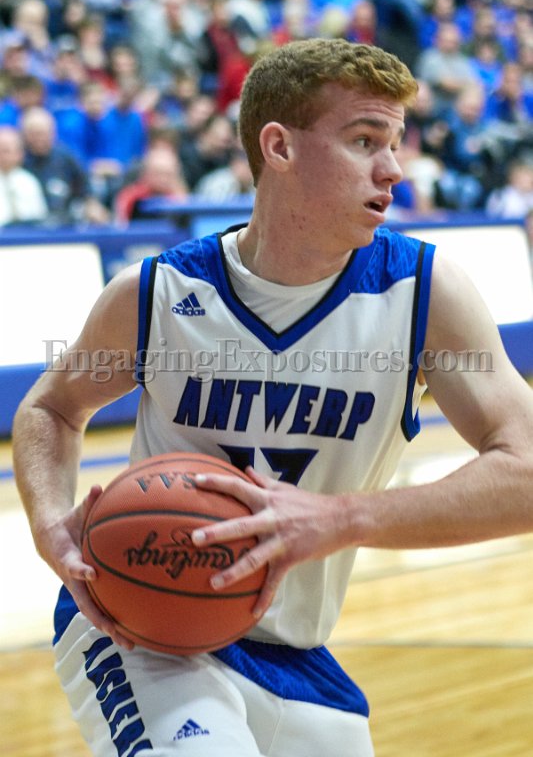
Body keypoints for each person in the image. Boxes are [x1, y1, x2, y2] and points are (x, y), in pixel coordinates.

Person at [12, 39, 533, 756]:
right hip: (144, 626)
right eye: (365, 140)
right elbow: (50, 407)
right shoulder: (158, 293)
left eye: (395, 142)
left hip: (296, 657)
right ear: (279, 147)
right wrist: (48, 522)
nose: (393, 168)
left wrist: (342, 519)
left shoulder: (423, 293)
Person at [0, 124, 48, 226]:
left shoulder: (29, 181)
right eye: (3, 150)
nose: (5, 156)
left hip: (26, 234)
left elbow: (40, 219)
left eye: (9, 151)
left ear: (21, 153)